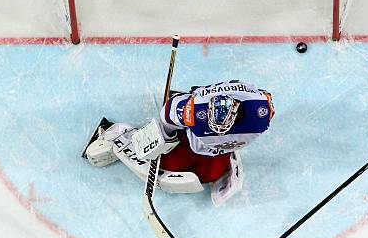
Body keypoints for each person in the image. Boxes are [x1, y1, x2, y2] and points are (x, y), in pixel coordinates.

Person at [82, 80, 274, 205]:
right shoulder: (193, 110)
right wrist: (160, 141)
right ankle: (120, 135)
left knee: (210, 174)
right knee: (160, 167)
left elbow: (263, 95)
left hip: (216, 153)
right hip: (187, 145)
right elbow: (167, 118)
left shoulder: (261, 111)